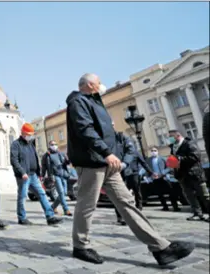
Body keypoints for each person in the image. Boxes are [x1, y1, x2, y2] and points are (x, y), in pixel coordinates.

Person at [66, 73, 194, 266]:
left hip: (108, 163)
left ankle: (160, 248)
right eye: (99, 82)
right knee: (87, 205)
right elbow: (85, 130)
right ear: (91, 85)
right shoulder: (78, 102)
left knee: (127, 202)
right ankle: (80, 246)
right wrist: (107, 152)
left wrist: (112, 155)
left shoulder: (94, 102)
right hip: (92, 162)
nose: (102, 85)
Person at [10, 123, 63, 226]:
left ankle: (50, 217)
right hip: (23, 176)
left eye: (31, 134)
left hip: (33, 175)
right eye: (29, 134)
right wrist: (22, 172)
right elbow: (14, 160)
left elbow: (35, 158)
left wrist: (39, 173)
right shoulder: (16, 144)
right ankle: (22, 218)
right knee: (22, 196)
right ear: (23, 133)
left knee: (42, 194)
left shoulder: (31, 144)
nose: (31, 136)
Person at [112, 129, 154, 225]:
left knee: (137, 191)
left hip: (134, 174)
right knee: (120, 195)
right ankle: (120, 216)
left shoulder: (135, 153)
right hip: (123, 174)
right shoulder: (120, 152)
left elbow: (144, 163)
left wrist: (150, 173)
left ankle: (138, 208)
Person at [168, 129, 209, 222]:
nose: (170, 139)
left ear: (177, 135)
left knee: (204, 195)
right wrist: (172, 163)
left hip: (194, 174)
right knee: (189, 196)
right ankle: (197, 213)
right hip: (182, 176)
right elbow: (174, 160)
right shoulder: (173, 147)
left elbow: (195, 156)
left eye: (171, 136)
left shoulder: (189, 143)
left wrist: (180, 159)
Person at [146, 147, 185, 212]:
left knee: (171, 192)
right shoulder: (149, 160)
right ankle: (165, 207)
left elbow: (169, 167)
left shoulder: (163, 158)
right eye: (152, 151)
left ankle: (175, 207)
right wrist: (150, 176)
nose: (153, 152)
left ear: (157, 151)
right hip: (155, 179)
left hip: (164, 178)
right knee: (160, 194)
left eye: (155, 150)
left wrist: (163, 173)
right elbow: (147, 169)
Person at [41, 140, 72, 216]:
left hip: (63, 174)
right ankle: (66, 209)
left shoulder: (61, 153)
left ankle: (53, 206)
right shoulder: (46, 156)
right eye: (52, 144)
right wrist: (42, 175)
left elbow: (67, 162)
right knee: (61, 192)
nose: (54, 145)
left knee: (64, 193)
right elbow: (44, 166)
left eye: (55, 144)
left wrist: (69, 159)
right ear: (49, 146)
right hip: (55, 175)